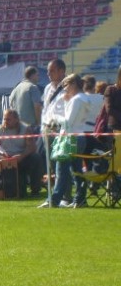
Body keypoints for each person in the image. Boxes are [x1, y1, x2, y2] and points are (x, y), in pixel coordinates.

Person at [38, 74, 91, 208]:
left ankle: (54, 200)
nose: (64, 89)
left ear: (73, 84)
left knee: (61, 170)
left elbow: (68, 122)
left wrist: (55, 117)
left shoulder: (77, 99)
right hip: (79, 137)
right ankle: (80, 199)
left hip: (70, 138)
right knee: (77, 171)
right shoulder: (83, 98)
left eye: (66, 86)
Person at [0, 109, 43, 198]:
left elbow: (32, 147)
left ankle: (35, 190)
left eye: (8, 119)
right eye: (4, 119)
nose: (5, 122)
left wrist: (21, 156)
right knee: (19, 193)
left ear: (16, 119)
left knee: (36, 158)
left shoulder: (26, 128)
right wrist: (0, 156)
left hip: (23, 157)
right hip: (7, 159)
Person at [9, 66, 42, 131]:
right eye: (37, 75)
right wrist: (39, 124)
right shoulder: (33, 87)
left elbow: (11, 107)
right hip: (31, 127)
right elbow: (37, 106)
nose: (39, 78)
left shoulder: (15, 89)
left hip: (17, 127)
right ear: (32, 75)